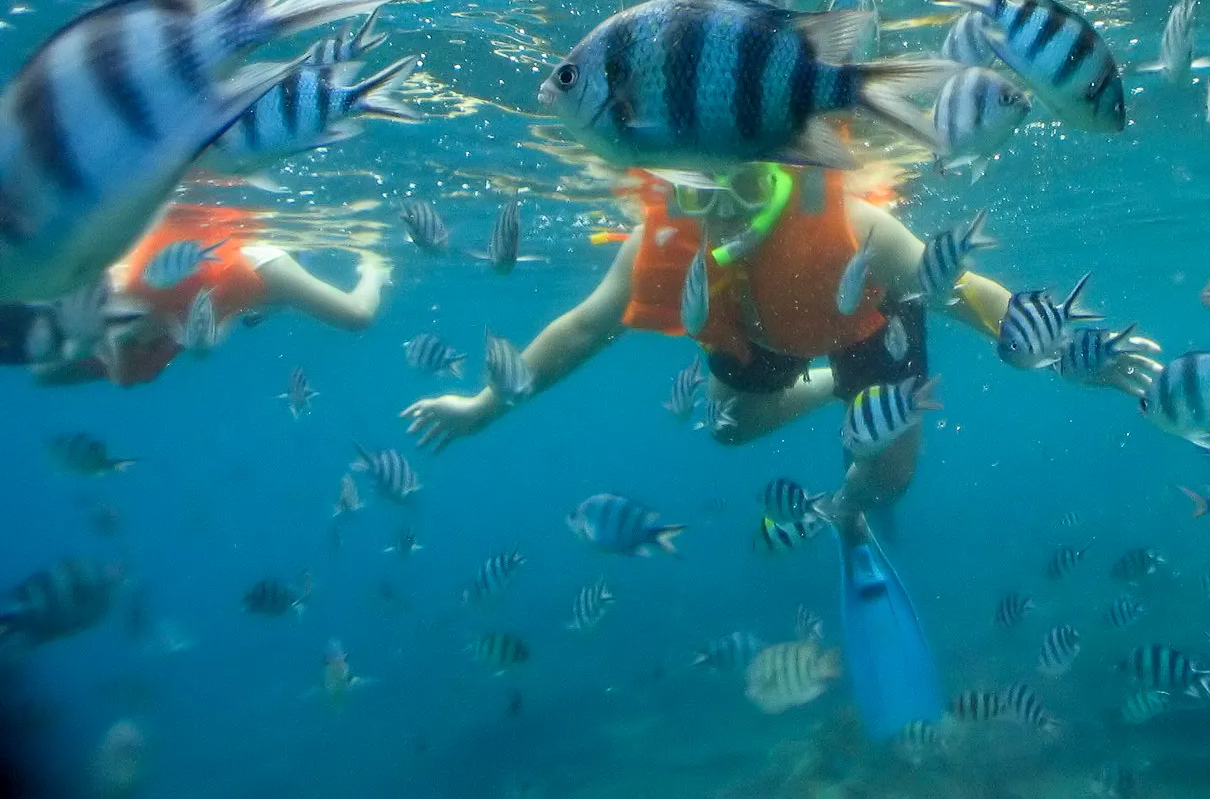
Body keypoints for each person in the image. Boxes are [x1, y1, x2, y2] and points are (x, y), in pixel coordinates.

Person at [403, 164, 1095, 511]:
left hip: (869, 324)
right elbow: (585, 327)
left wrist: (1057, 345)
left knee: (890, 479)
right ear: (673, 191)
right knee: (729, 428)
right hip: (756, 332)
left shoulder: (849, 223)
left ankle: (853, 501)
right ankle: (831, 392)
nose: (724, 213)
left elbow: (956, 287)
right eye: (699, 194)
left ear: (775, 176)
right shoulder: (663, 243)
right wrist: (480, 407)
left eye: (742, 187)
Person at [0, 203, 390, 387]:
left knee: (355, 316)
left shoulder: (115, 286)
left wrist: (373, 269)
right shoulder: (104, 348)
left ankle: (375, 263)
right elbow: (48, 375)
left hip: (245, 268)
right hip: (209, 296)